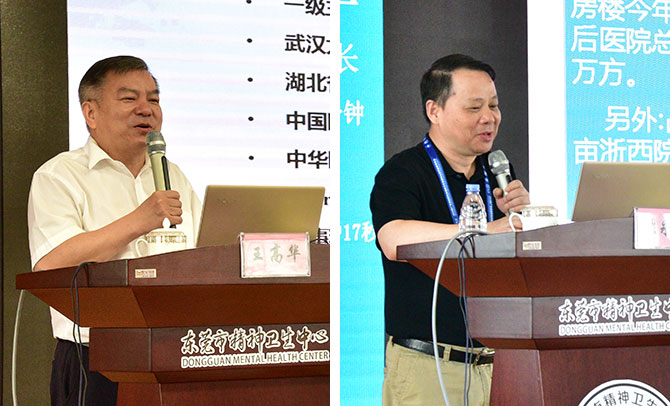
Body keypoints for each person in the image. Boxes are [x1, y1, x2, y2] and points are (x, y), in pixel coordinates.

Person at [27, 56, 202, 406]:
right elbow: (51, 264)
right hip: (93, 361)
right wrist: (140, 220)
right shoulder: (59, 176)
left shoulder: (173, 176)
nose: (146, 109)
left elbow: (203, 254)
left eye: (154, 99)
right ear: (91, 113)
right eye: (129, 99)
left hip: (173, 352)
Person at [370, 54, 531, 406]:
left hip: (499, 364)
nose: (489, 117)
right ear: (435, 110)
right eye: (474, 107)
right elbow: (394, 239)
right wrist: (485, 231)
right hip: (429, 364)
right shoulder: (403, 172)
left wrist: (524, 221)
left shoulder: (498, 172)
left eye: (493, 105)